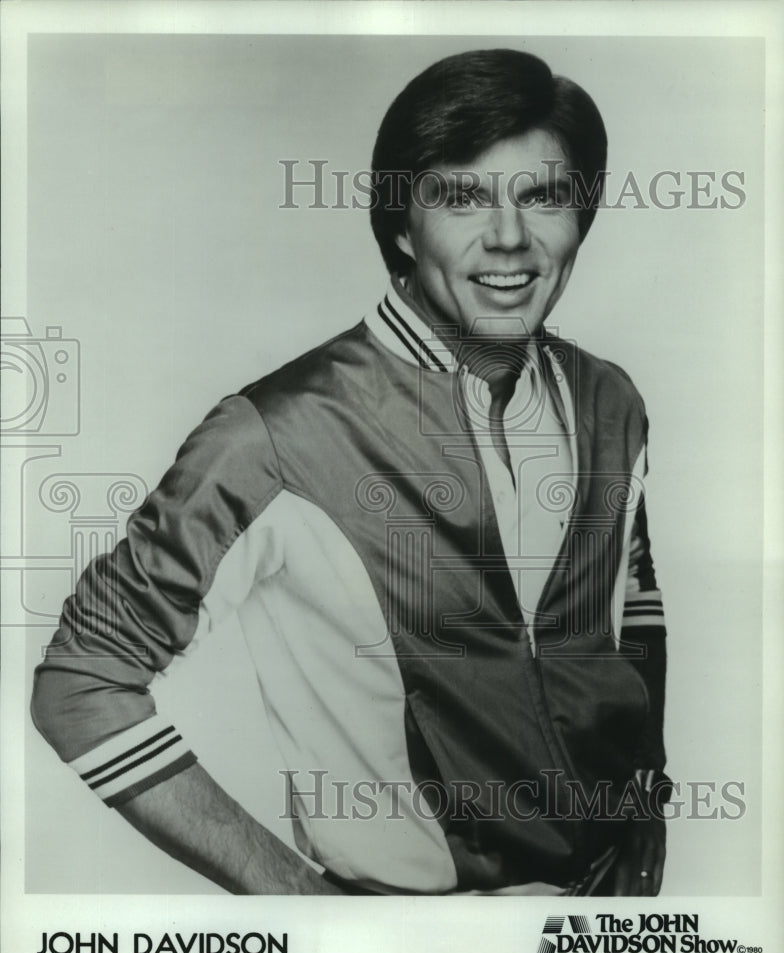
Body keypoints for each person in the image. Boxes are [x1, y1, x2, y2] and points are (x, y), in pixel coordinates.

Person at [31, 48, 669, 896]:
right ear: (402, 225)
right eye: (461, 197)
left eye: (543, 196)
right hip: (411, 949)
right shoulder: (277, 434)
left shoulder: (610, 400)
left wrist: (644, 809)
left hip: (603, 929)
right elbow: (83, 680)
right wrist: (292, 895)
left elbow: (633, 611)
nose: (509, 238)